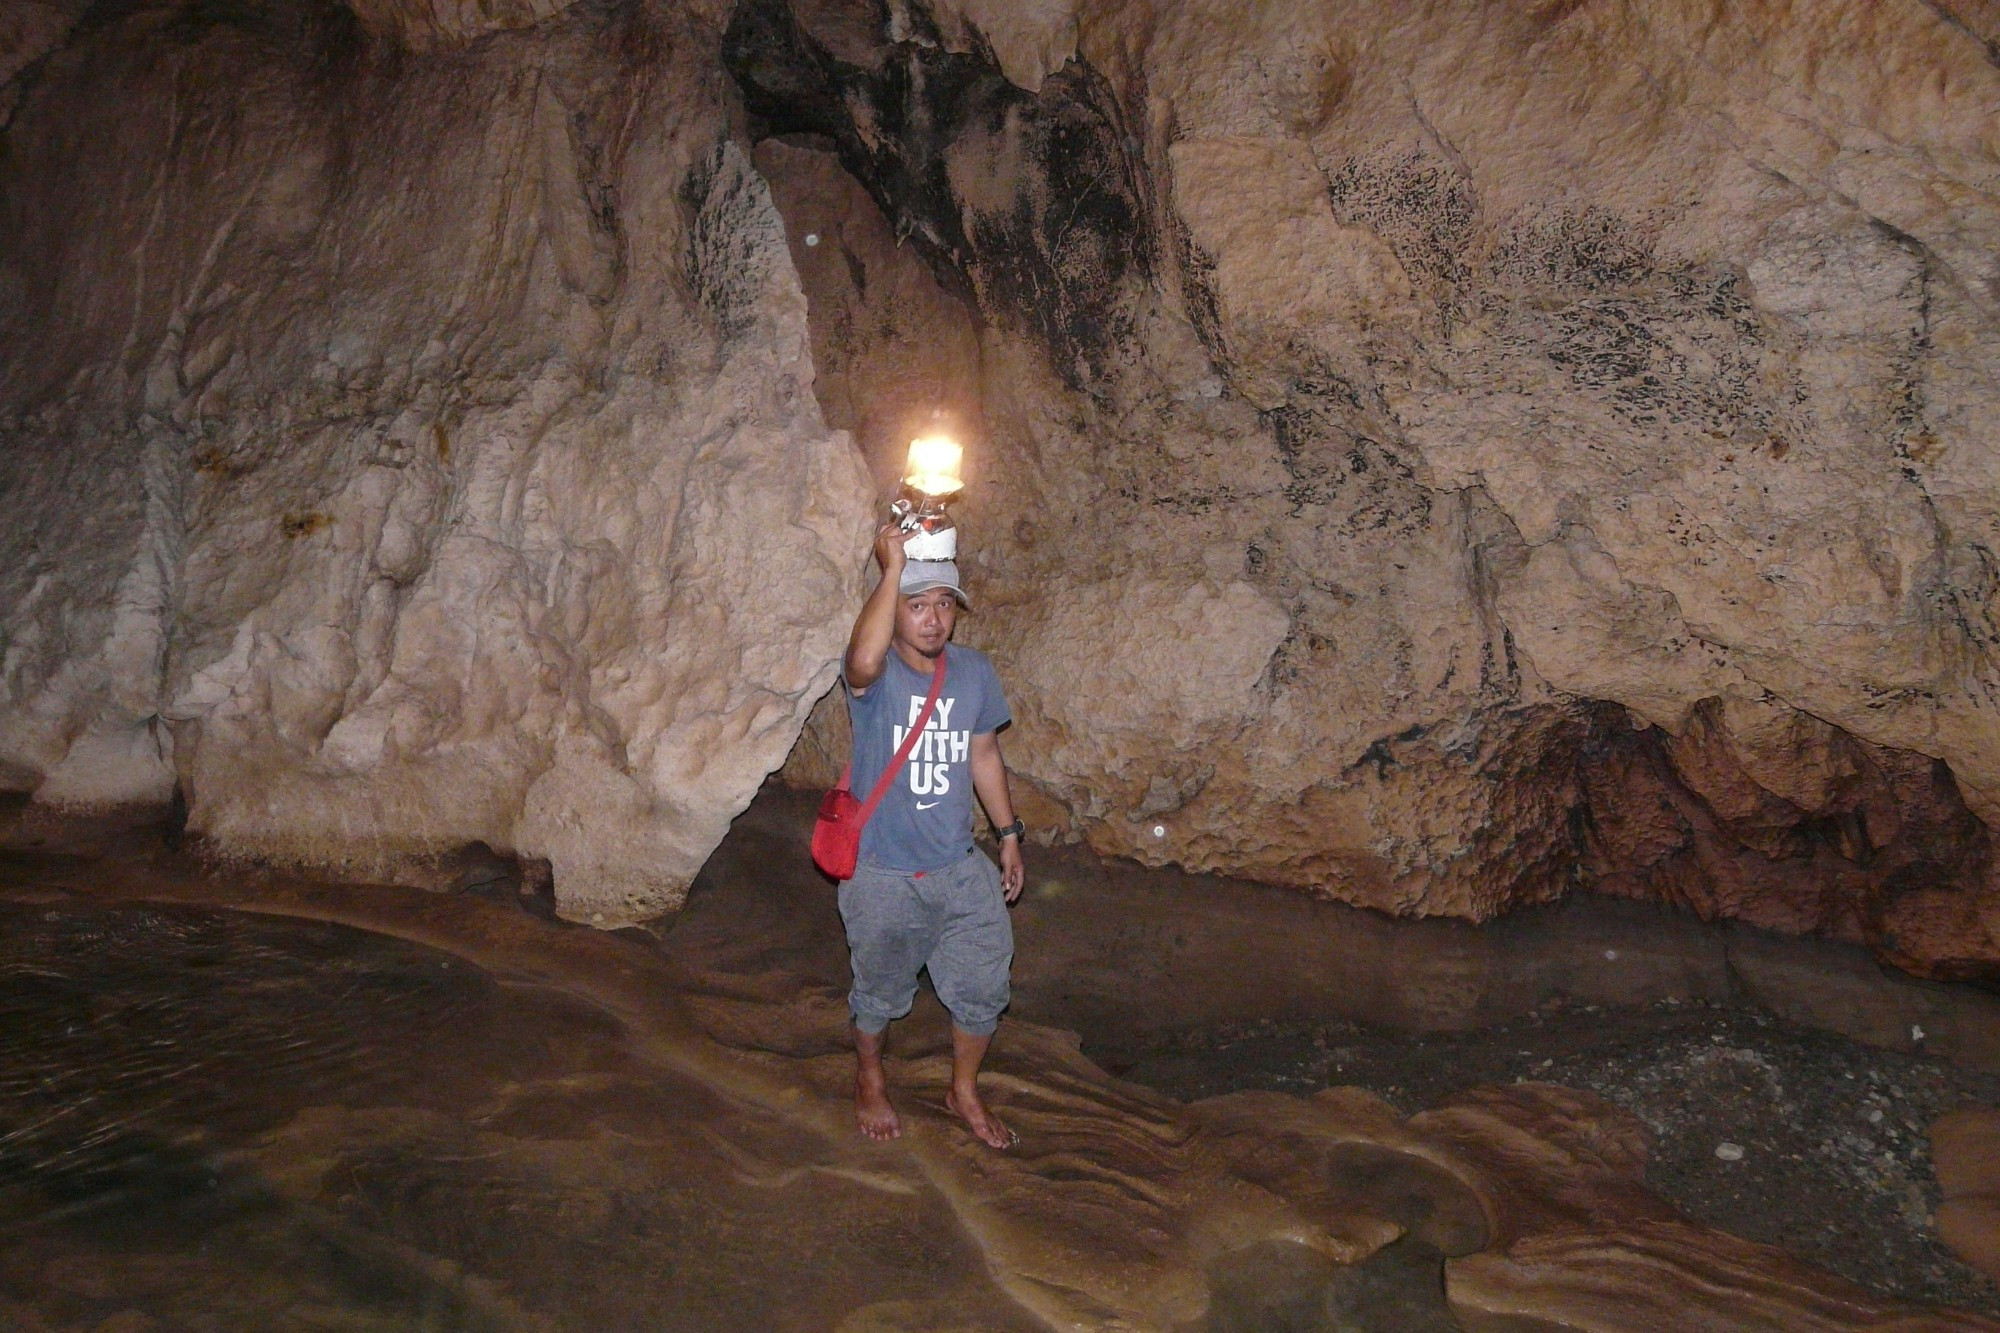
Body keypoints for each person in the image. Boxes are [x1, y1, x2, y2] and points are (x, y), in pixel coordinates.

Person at [838, 521, 1026, 1150]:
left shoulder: (973, 672)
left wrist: (1007, 834)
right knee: (880, 994)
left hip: (957, 867)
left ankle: (963, 1090)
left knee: (984, 984)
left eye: (944, 603)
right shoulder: (880, 676)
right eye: (917, 606)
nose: (933, 619)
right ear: (894, 612)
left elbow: (985, 755)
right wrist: (891, 568)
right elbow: (858, 663)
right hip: (883, 872)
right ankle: (869, 1075)